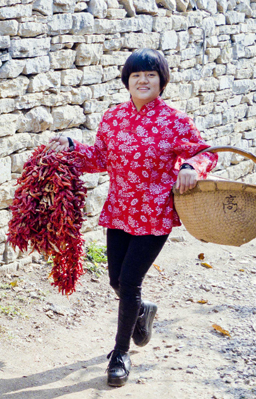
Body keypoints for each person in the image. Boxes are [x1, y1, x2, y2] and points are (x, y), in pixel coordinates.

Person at [45, 48, 218, 387]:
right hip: (120, 209)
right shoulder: (114, 118)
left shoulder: (174, 120)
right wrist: (70, 146)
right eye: (136, 75)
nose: (143, 80)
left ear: (161, 81)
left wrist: (189, 166)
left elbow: (204, 153)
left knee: (129, 282)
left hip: (155, 214)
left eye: (150, 75)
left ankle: (120, 353)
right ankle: (141, 311)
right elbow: (99, 157)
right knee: (115, 281)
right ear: (127, 80)